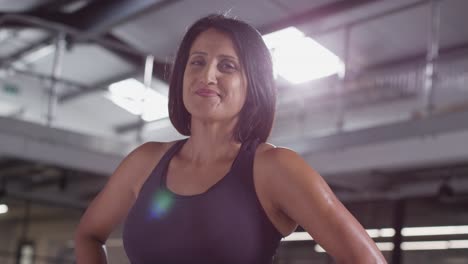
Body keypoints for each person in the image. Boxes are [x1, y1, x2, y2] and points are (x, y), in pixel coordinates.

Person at [74, 14, 387, 264]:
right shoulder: (145, 161)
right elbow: (88, 235)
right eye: (197, 62)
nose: (207, 75)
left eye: (227, 66)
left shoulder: (274, 168)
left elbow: (365, 259)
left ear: (253, 85)